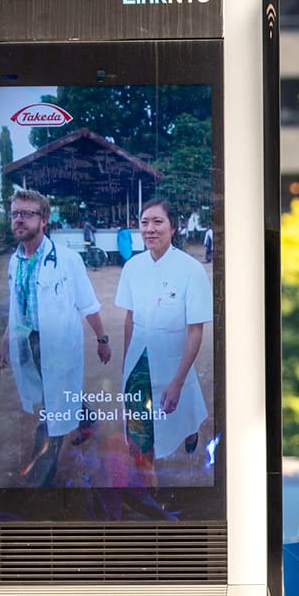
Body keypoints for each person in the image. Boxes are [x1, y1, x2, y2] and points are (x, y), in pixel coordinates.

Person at [0, 190, 111, 487]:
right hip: (30, 341)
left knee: (53, 409)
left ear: (44, 220)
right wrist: (7, 340)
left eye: (27, 214)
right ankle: (87, 420)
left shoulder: (67, 260)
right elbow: (17, 308)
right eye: (15, 213)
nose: (19, 219)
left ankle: (40, 478)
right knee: (57, 391)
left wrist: (102, 339)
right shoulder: (15, 262)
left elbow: (88, 305)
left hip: (59, 345)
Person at [115, 199, 212, 486]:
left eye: (157, 222)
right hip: (138, 364)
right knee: (140, 439)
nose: (149, 229)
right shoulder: (132, 267)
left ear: (174, 227)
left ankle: (191, 432)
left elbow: (195, 330)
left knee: (182, 414)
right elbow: (130, 318)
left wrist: (178, 381)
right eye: (144, 222)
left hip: (173, 360)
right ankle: (149, 491)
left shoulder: (191, 271)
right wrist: (125, 365)